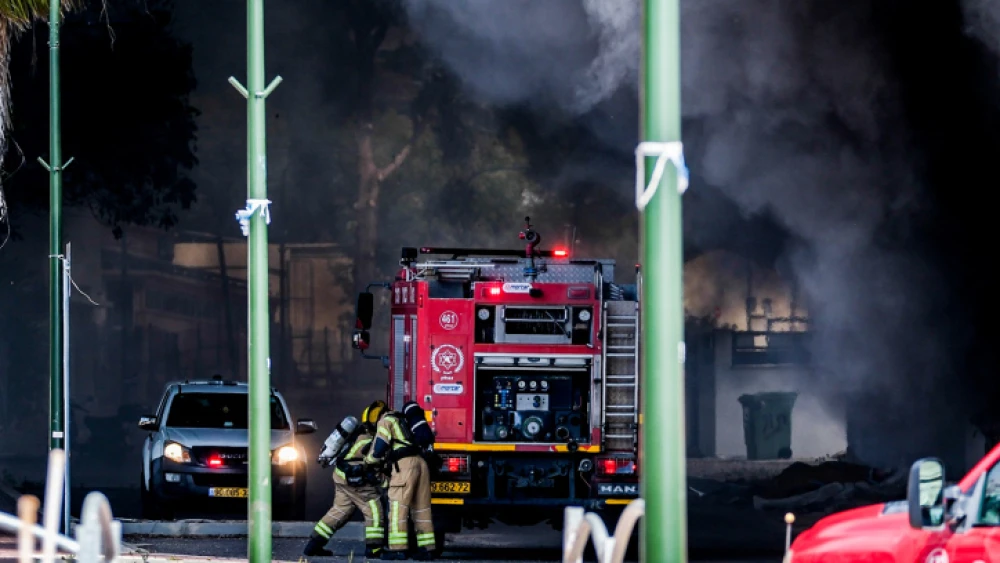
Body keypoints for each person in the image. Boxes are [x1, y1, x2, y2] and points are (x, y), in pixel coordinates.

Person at [303, 400, 388, 558]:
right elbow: (373, 461)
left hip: (341, 476)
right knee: (374, 509)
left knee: (340, 511)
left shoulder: (357, 433)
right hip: (355, 480)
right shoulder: (372, 440)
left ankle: (313, 545)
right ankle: (374, 549)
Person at [365, 405, 436, 561]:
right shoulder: (404, 420)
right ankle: (427, 549)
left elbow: (380, 447)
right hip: (421, 464)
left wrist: (369, 461)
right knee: (421, 508)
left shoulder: (386, 421)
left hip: (405, 465)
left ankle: (398, 549)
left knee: (397, 507)